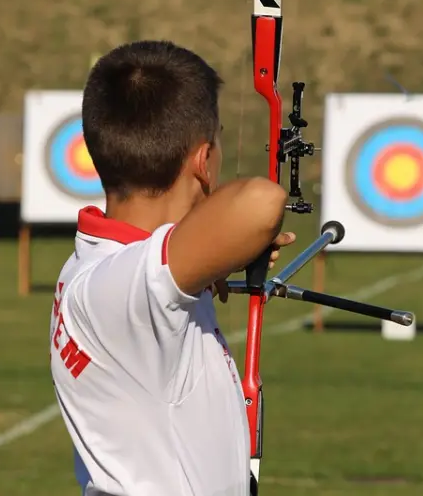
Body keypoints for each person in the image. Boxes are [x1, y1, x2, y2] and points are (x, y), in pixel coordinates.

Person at [49, 40, 295, 496]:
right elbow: (261, 202)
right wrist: (221, 245)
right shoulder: (123, 287)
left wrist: (209, 255)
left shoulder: (97, 266)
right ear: (204, 162)